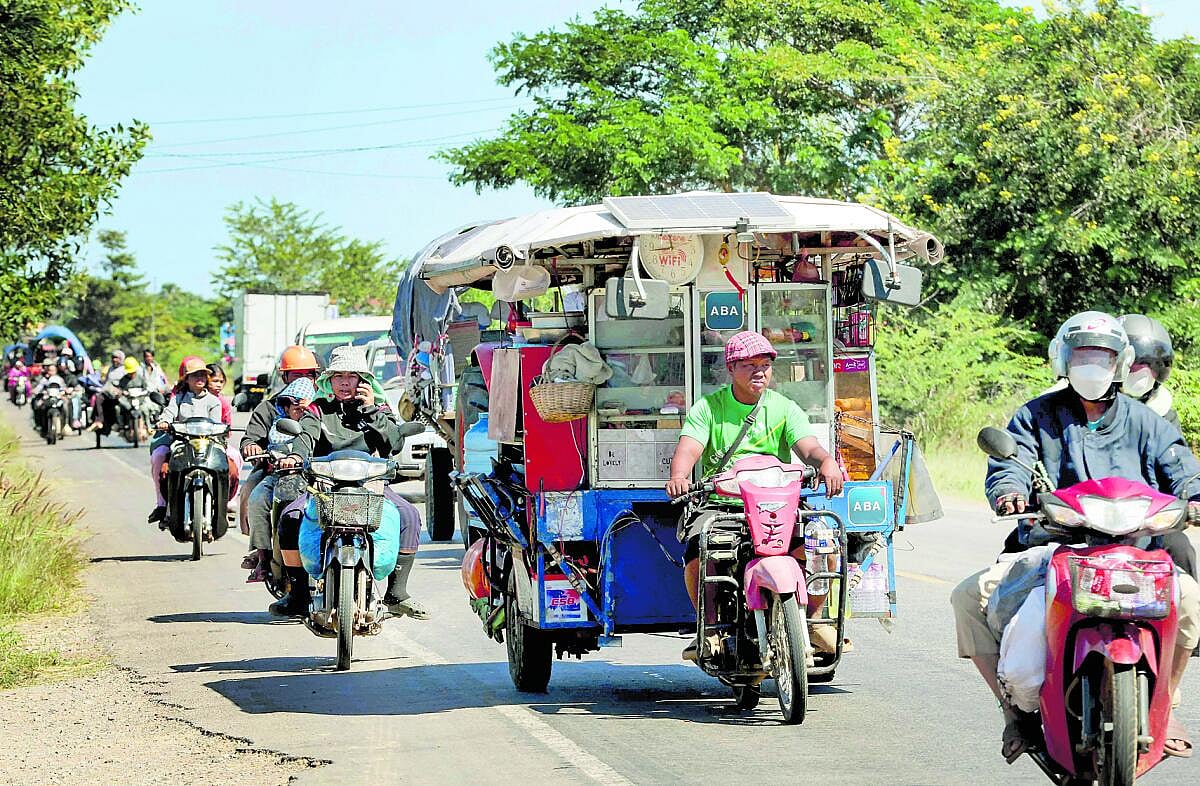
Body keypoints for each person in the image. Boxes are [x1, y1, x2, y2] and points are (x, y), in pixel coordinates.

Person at [950, 311, 1200, 760]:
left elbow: (1181, 467)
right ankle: (1015, 717)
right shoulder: (1035, 415)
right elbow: (1011, 461)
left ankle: (1167, 703)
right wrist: (1009, 492)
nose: (1092, 364)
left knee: (1190, 601)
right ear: (1063, 359)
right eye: (1083, 354)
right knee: (968, 598)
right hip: (1055, 547)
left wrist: (1195, 496)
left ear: (1120, 362)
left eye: (1102, 355)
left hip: (1135, 549)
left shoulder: (1147, 422)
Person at [665, 331, 843, 660]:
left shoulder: (784, 408)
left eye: (765, 364)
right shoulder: (709, 408)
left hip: (779, 505)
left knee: (823, 543)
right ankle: (711, 628)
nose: (759, 371)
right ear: (731, 368)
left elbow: (809, 448)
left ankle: (813, 619)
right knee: (698, 552)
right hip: (723, 505)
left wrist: (827, 463)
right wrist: (679, 476)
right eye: (749, 365)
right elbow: (688, 449)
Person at [268, 345, 427, 620]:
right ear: (328, 380)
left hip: (371, 486)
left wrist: (371, 411)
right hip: (324, 486)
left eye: (352, 376)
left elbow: (394, 443)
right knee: (290, 516)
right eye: (338, 375)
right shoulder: (318, 409)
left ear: (363, 381)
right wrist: (295, 455)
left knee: (409, 515)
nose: (344, 382)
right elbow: (306, 435)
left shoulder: (378, 407)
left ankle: (396, 593)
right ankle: (298, 594)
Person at [240, 346, 322, 576]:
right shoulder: (268, 407)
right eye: (296, 375)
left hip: (319, 473)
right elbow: (251, 437)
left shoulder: (323, 406)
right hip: (276, 470)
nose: (303, 380)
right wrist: (252, 446)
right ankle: (263, 556)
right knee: (255, 498)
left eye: (308, 375)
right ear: (285, 376)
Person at [147, 357, 223, 525]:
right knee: (159, 454)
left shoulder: (213, 401)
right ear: (186, 379)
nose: (200, 379)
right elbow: (169, 412)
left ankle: (223, 505)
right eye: (195, 375)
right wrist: (164, 422)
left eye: (203, 375)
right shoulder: (179, 398)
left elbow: (217, 425)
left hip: (207, 444)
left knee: (225, 465)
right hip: (181, 443)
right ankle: (162, 504)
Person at [1119, 314, 1179, 427]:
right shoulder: (1090, 408)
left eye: (1155, 365)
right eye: (1137, 362)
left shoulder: (1166, 418)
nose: (1144, 371)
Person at [88, 349, 128, 434]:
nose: (114, 360)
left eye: (117, 358)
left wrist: (120, 391)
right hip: (109, 393)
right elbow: (106, 382)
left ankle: (121, 424)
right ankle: (99, 421)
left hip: (121, 394)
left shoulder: (125, 370)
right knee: (98, 398)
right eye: (113, 357)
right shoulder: (110, 369)